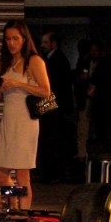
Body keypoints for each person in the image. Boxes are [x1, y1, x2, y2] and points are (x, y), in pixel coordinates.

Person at [0, 19, 51, 210]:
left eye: (15, 38)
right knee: (1, 174)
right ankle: (14, 204)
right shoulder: (7, 62)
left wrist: (18, 84)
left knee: (23, 176)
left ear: (24, 39)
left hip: (25, 122)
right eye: (7, 39)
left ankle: (23, 215)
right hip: (8, 121)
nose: (11, 43)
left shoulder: (33, 61)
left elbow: (45, 91)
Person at [36, 30, 74, 184]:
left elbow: (57, 86)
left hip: (54, 108)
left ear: (54, 43)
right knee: (49, 140)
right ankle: (50, 172)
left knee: (53, 141)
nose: (42, 46)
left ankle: (53, 173)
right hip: (52, 107)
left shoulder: (58, 60)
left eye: (45, 42)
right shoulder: (49, 59)